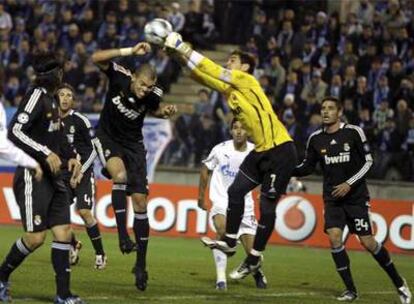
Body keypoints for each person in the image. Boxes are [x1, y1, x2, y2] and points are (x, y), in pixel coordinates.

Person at [164, 33, 297, 278]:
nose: (228, 64)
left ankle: (254, 257)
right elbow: (200, 75)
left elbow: (210, 68)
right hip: (261, 151)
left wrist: (182, 47)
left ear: (245, 67)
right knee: (235, 191)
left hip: (280, 148)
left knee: (266, 208)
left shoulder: (246, 80)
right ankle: (230, 241)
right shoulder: (230, 90)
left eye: (233, 60)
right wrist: (179, 59)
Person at [293, 96, 412, 303]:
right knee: (334, 238)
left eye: (330, 108)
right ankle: (350, 290)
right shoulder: (315, 139)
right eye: (323, 108)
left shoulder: (354, 132)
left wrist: (349, 183)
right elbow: (308, 167)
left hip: (355, 197)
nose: (325, 112)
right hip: (332, 199)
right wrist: (288, 170)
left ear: (339, 112)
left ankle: (399, 283)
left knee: (368, 242)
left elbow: (368, 161)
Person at [0, 51, 84, 304]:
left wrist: (71, 155)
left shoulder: (53, 100)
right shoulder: (36, 96)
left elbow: (56, 138)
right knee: (36, 238)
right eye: (59, 70)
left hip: (54, 177)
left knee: (63, 232)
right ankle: (2, 277)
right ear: (53, 73)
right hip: (32, 175)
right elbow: (15, 131)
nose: (62, 74)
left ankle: (63, 294)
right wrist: (44, 152)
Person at [91, 42, 177, 291]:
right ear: (134, 78)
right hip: (108, 137)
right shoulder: (119, 76)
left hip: (134, 145)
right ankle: (122, 236)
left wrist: (165, 112)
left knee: (140, 202)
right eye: (142, 85)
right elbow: (96, 56)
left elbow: (156, 109)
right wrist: (129, 51)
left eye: (150, 87)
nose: (145, 91)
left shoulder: (153, 94)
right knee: (120, 175)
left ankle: (141, 264)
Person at [198, 118, 267, 290]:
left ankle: (257, 271)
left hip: (246, 205)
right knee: (222, 232)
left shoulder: (255, 151)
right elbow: (205, 169)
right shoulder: (221, 149)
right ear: (230, 131)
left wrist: (265, 192)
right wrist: (201, 197)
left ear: (248, 132)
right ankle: (221, 280)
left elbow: (267, 172)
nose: (238, 131)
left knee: (253, 252)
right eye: (235, 128)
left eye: (242, 128)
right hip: (221, 201)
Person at [57, 83, 107, 270]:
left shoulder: (80, 120)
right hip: (63, 175)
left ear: (73, 100)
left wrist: (80, 173)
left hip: (83, 173)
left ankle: (100, 253)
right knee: (56, 217)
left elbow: (94, 150)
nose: (65, 98)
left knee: (85, 212)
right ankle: (74, 244)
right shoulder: (52, 121)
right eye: (62, 94)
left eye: (69, 95)